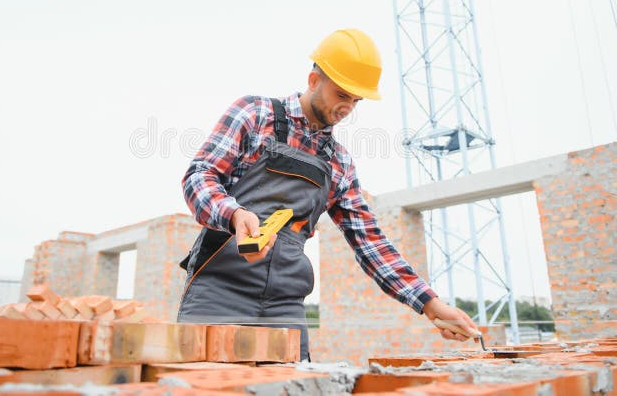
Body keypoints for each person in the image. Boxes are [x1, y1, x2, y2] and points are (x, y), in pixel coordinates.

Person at [177, 28, 478, 360]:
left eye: (355, 100)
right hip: (219, 293)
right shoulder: (254, 114)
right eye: (341, 94)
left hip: (284, 306)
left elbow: (370, 242)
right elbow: (199, 176)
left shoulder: (339, 163)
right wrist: (233, 214)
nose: (347, 106)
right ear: (313, 80)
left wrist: (429, 304)